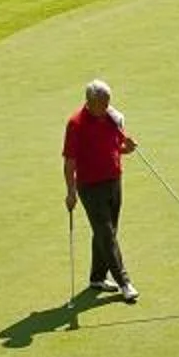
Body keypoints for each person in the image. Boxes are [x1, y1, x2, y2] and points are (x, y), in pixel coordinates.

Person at [63, 79, 140, 303]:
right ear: (90, 101)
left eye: (108, 102)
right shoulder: (76, 124)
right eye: (103, 104)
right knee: (106, 233)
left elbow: (118, 147)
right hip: (90, 186)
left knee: (107, 232)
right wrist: (71, 192)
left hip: (114, 181)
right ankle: (124, 282)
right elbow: (69, 161)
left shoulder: (112, 117)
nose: (107, 107)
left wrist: (129, 147)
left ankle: (97, 278)